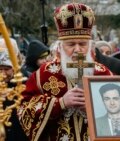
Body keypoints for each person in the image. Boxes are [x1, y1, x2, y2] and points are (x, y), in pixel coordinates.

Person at [17, 2, 113, 141]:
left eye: (82, 44)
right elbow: (24, 111)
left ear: (90, 46)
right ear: (60, 47)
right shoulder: (43, 74)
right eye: (71, 44)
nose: (77, 50)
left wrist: (95, 109)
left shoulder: (104, 74)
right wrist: (60, 103)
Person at [0, 49, 28, 141]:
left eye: (7, 69)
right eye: (0, 69)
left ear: (13, 69)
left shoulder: (23, 84)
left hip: (18, 131)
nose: (3, 73)